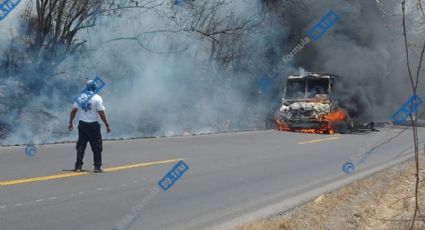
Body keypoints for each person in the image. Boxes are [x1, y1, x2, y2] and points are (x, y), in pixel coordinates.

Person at [68, 80, 111, 173]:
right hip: (93, 126)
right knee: (97, 146)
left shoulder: (80, 97)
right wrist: (106, 124)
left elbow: (73, 111)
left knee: (81, 146)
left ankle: (78, 166)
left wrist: (70, 122)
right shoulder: (97, 98)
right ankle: (97, 167)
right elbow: (101, 113)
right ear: (95, 88)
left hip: (82, 125)